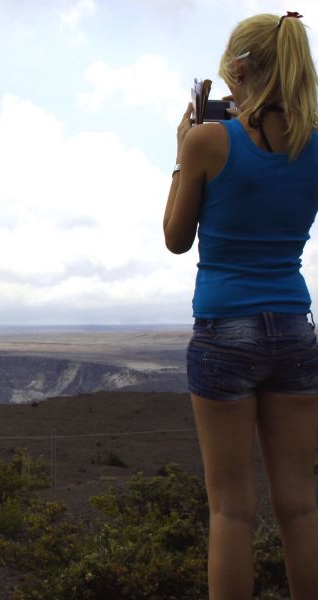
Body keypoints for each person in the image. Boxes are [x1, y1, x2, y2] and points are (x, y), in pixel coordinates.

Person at [163, 11, 318, 600]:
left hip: (225, 330)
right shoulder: (314, 144)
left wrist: (181, 152)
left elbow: (177, 239)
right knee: (300, 508)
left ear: (239, 69)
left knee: (231, 512)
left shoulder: (208, 140)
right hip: (294, 327)